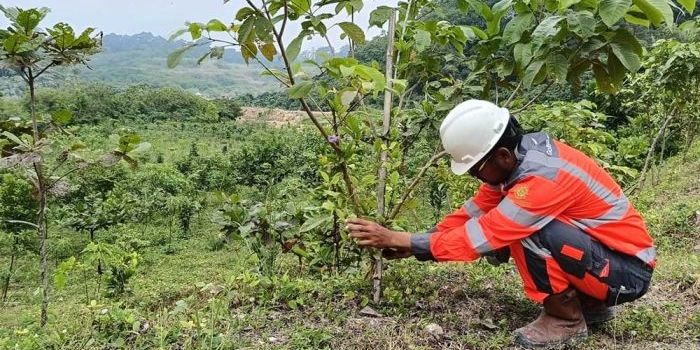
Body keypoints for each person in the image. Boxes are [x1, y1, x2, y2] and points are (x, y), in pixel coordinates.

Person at [345, 99, 655, 348]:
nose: (474, 177)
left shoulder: (541, 180)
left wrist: (407, 241)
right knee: (519, 226)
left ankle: (566, 320)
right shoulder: (523, 158)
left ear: (502, 156)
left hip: (627, 273)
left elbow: (484, 236)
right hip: (608, 261)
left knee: (528, 231)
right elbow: (474, 213)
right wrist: (417, 242)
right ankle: (591, 305)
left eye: (475, 169)